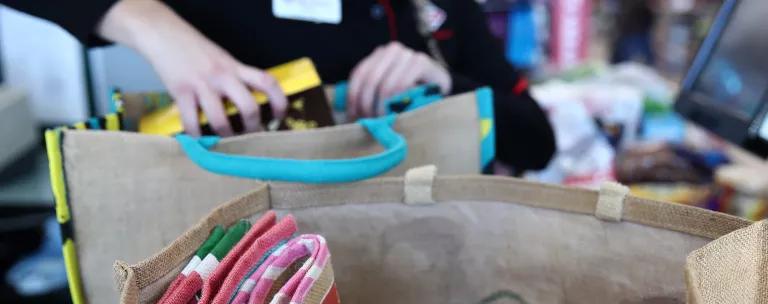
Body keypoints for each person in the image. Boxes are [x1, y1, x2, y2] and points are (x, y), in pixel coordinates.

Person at [4, 0, 556, 172]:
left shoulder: (436, 9)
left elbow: (537, 139)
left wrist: (446, 84)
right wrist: (149, 23)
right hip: (255, 270)